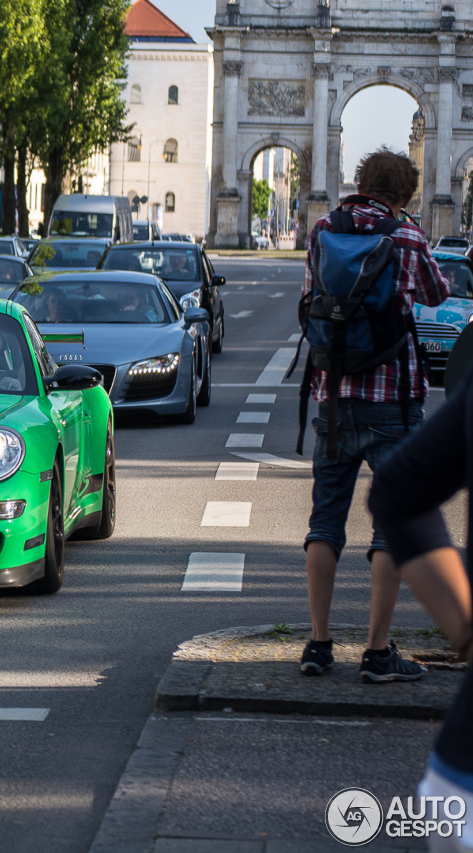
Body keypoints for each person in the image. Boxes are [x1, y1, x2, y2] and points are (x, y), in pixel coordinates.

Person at [298, 148, 450, 682]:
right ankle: (377, 652)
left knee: (324, 522)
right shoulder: (406, 237)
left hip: (333, 398)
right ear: (405, 195)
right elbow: (438, 292)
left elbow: (310, 297)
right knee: (390, 527)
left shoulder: (322, 229)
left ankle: (317, 645)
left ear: (360, 182)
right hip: (394, 400)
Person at [368, 379, 473, 849]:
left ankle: (334, 642)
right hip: (386, 406)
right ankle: (375, 649)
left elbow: (398, 492)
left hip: (460, 779)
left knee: (325, 516)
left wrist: (466, 635)